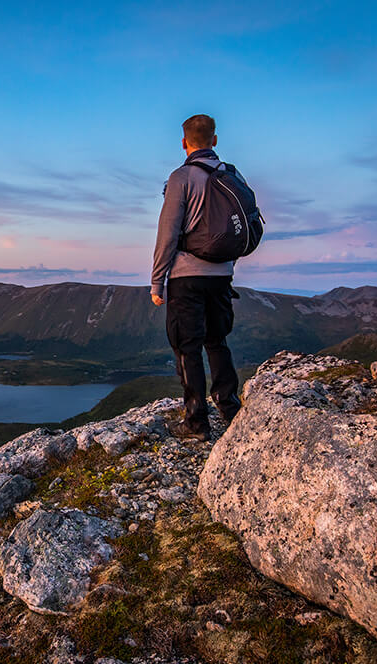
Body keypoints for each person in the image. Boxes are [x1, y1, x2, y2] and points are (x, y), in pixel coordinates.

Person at [150, 114, 242, 441]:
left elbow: (168, 232)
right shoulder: (232, 174)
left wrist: (157, 281)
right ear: (214, 140)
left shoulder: (182, 177)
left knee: (187, 348)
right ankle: (231, 411)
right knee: (217, 341)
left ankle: (196, 423)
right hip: (222, 276)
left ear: (185, 143)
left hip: (186, 277)